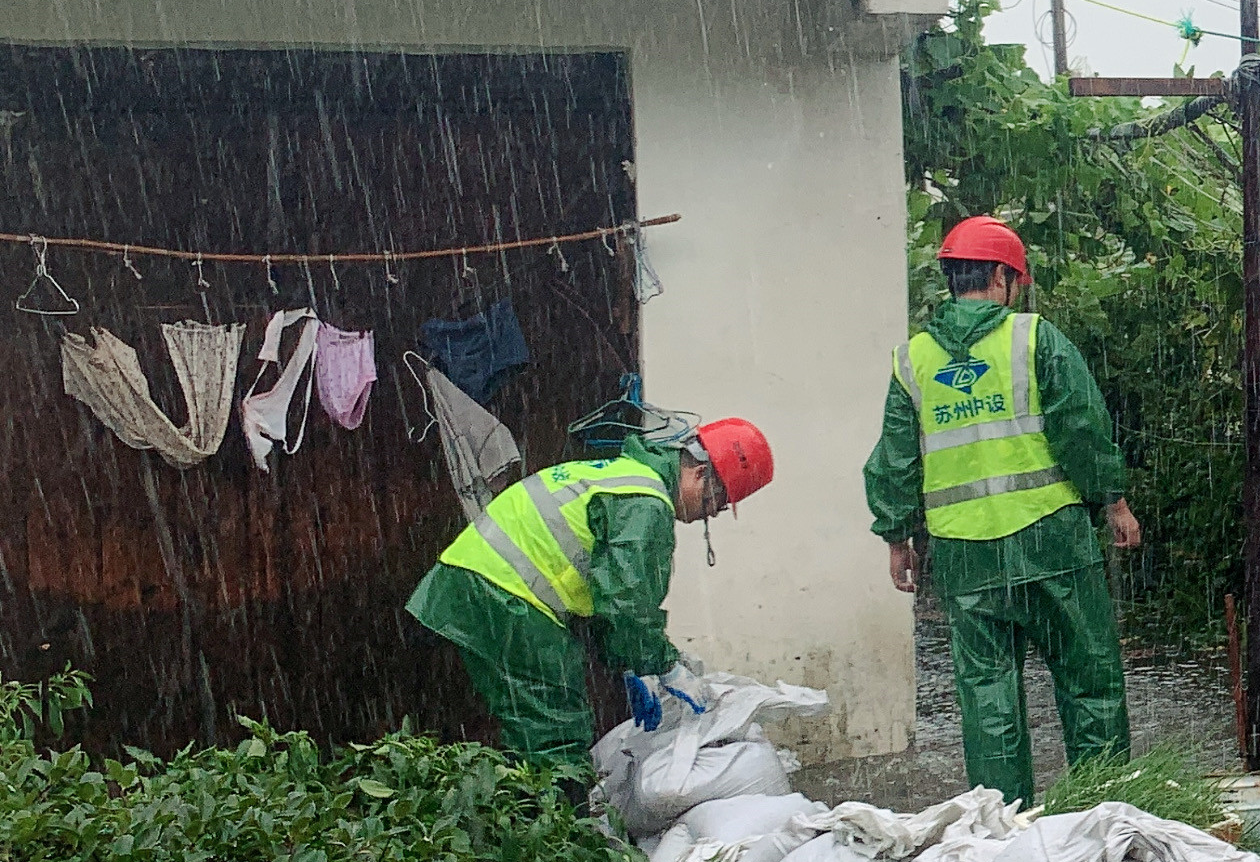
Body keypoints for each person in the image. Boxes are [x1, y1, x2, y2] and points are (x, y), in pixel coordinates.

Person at [865, 215, 1141, 806]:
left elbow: (894, 459)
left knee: (987, 694)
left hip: (965, 553)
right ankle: (1106, 818)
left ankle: (999, 828)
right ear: (1000, 276)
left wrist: (897, 538)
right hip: (1052, 541)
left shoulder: (911, 361)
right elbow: (1083, 431)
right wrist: (1113, 500)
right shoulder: (1034, 339)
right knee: (1088, 680)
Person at [408, 414, 775, 795]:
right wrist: (663, 666)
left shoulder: (623, 476)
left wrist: (631, 664)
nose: (711, 514)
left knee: (529, 725)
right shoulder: (644, 504)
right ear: (699, 473)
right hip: (503, 595)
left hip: (477, 584)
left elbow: (603, 596)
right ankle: (561, 842)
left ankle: (528, 824)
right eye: (719, 500)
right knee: (554, 731)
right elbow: (627, 602)